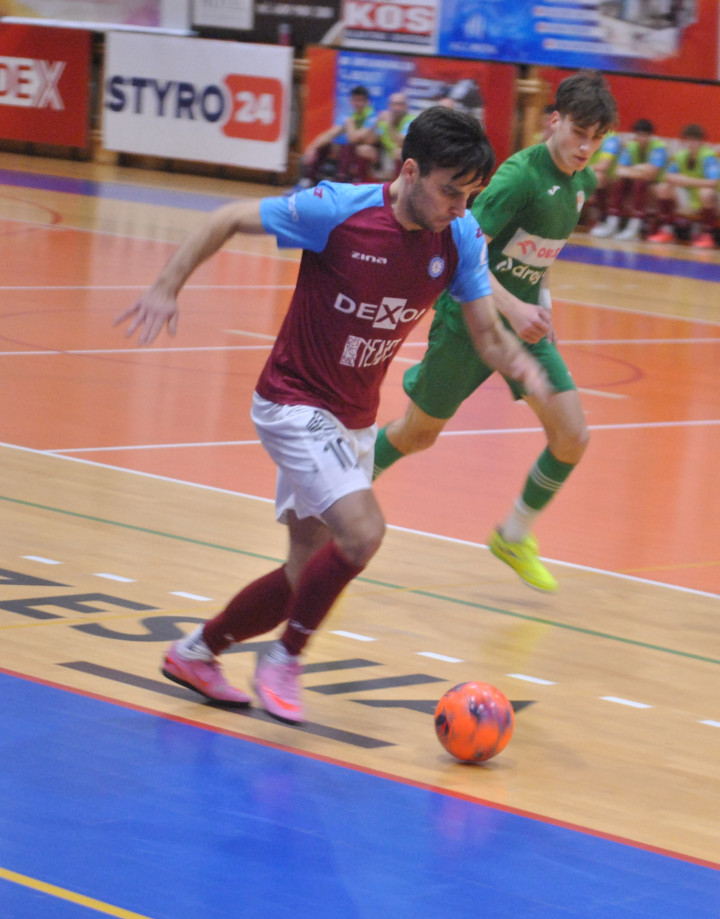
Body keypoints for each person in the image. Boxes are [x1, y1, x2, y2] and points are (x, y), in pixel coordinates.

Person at [117, 107, 549, 724]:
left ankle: (197, 652)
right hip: (293, 400)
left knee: (304, 575)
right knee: (364, 533)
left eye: (471, 195)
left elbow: (487, 334)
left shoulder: (459, 237)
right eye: (451, 191)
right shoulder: (338, 210)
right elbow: (227, 217)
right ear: (409, 171)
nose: (461, 207)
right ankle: (284, 660)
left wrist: (521, 366)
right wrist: (166, 285)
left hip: (353, 420)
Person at [373, 72, 618, 593]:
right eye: (579, 132)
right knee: (417, 434)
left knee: (572, 437)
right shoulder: (518, 178)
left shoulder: (582, 184)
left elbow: (540, 258)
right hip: (470, 321)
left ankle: (513, 534)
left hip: (523, 330)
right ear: (555, 121)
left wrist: (542, 309)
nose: (586, 147)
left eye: (597, 138)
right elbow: (463, 248)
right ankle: (338, 492)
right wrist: (512, 306)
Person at [646, 123, 720, 249]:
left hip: (718, 202)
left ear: (701, 141)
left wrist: (687, 181)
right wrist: (675, 178)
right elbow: (668, 175)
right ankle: (667, 230)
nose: (691, 144)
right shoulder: (681, 156)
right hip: (692, 198)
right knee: (663, 187)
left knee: (706, 192)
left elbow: (714, 183)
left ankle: (707, 235)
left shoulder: (709, 156)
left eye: (694, 140)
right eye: (688, 140)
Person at [588, 118, 667, 241]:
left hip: (654, 183)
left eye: (645, 135)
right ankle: (612, 222)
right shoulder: (630, 146)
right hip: (634, 178)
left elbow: (652, 173)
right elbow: (619, 170)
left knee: (639, 183)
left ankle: (634, 227)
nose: (642, 138)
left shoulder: (659, 147)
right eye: (639, 135)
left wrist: (632, 170)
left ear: (650, 136)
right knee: (621, 182)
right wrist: (641, 169)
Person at [298, 85, 377, 186]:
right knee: (324, 146)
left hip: (374, 150)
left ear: (367, 101)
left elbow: (354, 138)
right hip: (354, 148)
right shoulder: (351, 116)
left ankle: (343, 183)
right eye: (355, 100)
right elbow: (330, 134)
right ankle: (308, 181)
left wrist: (350, 124)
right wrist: (312, 147)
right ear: (351, 101)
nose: (357, 104)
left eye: (360, 100)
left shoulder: (372, 116)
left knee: (351, 148)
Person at [374, 91, 414, 178]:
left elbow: (401, 142)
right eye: (394, 104)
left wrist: (389, 123)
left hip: (405, 154)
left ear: (406, 106)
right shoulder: (383, 120)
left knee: (399, 153)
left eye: (400, 104)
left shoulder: (411, 120)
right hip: (385, 153)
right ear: (389, 106)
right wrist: (376, 122)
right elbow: (372, 139)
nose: (397, 108)